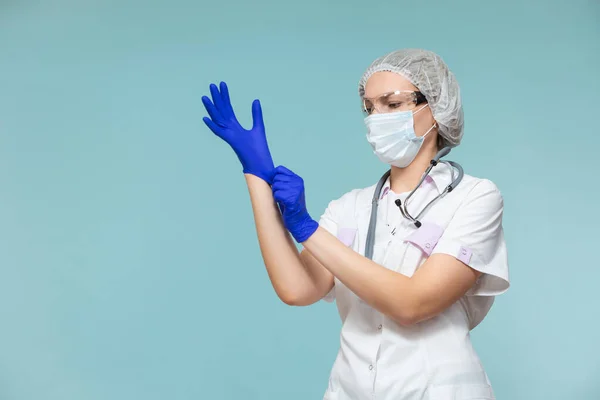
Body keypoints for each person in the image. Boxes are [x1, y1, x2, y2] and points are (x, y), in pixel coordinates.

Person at [201, 48, 510, 400]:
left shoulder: (474, 198)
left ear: (436, 109)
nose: (377, 117)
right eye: (369, 107)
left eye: (392, 104)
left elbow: (413, 304)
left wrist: (307, 228)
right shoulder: (350, 207)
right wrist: (257, 175)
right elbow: (298, 288)